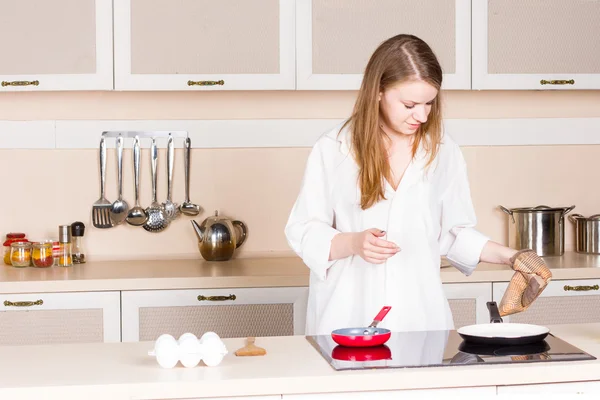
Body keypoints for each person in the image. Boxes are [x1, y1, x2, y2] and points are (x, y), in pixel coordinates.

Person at [284, 34, 551, 336]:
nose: (422, 115)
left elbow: (452, 234)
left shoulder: (441, 149)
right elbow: (304, 230)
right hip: (347, 316)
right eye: (410, 104)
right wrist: (353, 243)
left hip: (420, 318)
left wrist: (514, 257)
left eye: (429, 103)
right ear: (378, 92)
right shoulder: (334, 148)